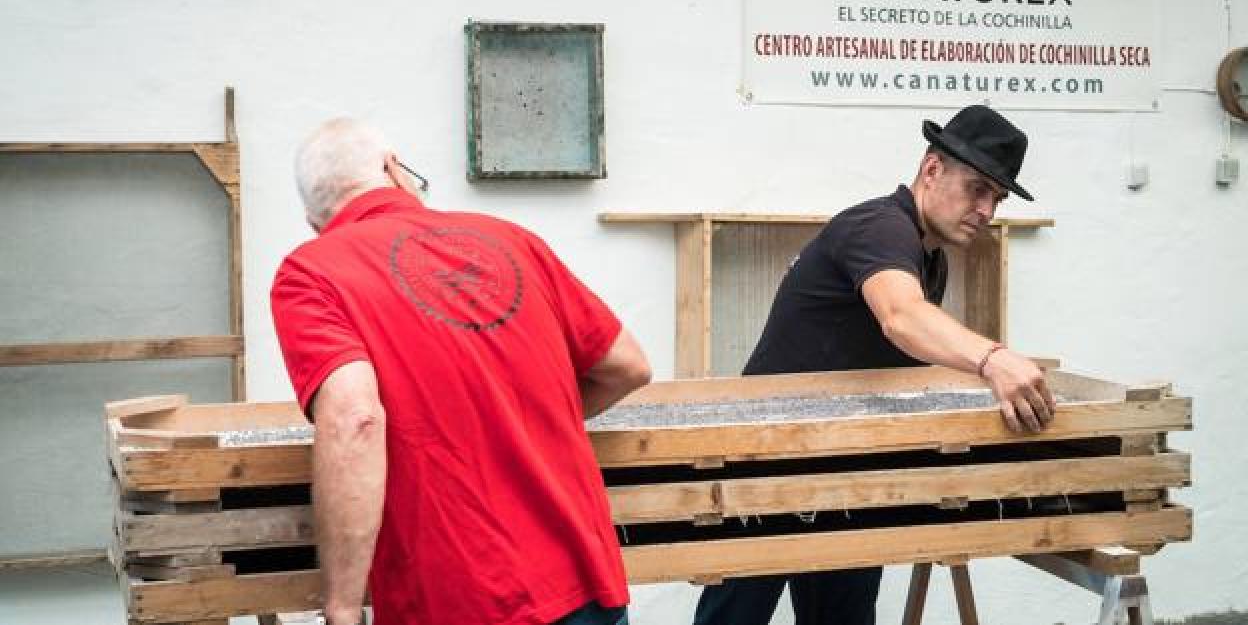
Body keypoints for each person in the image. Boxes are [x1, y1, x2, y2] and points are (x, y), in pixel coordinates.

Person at [270, 118, 652, 625]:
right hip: (583, 584)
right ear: (393, 169)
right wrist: (516, 423)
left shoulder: (312, 272)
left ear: (315, 220)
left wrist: (341, 608)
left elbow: (354, 421)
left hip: (452, 599)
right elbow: (627, 367)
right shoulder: (515, 241)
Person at [692, 104, 1057, 625]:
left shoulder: (928, 257)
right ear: (932, 169)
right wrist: (994, 358)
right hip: (766, 464)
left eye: (996, 197)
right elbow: (901, 316)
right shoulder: (878, 226)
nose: (987, 210)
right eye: (977, 188)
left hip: (843, 469)